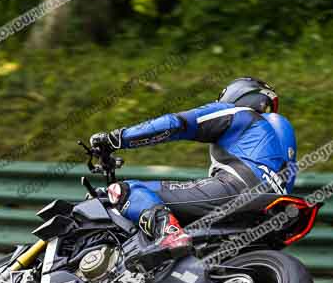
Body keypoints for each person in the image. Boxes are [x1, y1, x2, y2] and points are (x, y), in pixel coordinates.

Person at [89, 77, 297, 272]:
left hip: (235, 189)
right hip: (272, 210)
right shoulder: (279, 140)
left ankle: (168, 234)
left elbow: (177, 124)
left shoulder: (239, 114)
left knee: (126, 190)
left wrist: (118, 138)